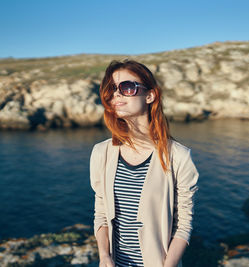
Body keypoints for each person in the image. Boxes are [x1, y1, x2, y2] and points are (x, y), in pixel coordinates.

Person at [89, 59, 199, 267]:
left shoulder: (178, 156)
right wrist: (104, 256)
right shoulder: (101, 152)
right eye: (112, 89)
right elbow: (101, 213)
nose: (117, 95)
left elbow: (183, 224)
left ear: (150, 95)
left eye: (127, 87)